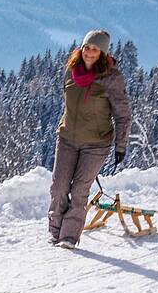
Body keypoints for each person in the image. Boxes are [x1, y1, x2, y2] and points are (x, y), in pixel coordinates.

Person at [48, 29, 132, 248]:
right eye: (87, 47)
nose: (90, 52)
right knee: (58, 187)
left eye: (96, 49)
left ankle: (68, 237)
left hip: (96, 144)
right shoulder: (70, 71)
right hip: (67, 138)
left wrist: (120, 145)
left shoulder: (112, 79)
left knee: (79, 190)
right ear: (82, 48)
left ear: (103, 53)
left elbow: (123, 114)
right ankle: (55, 232)